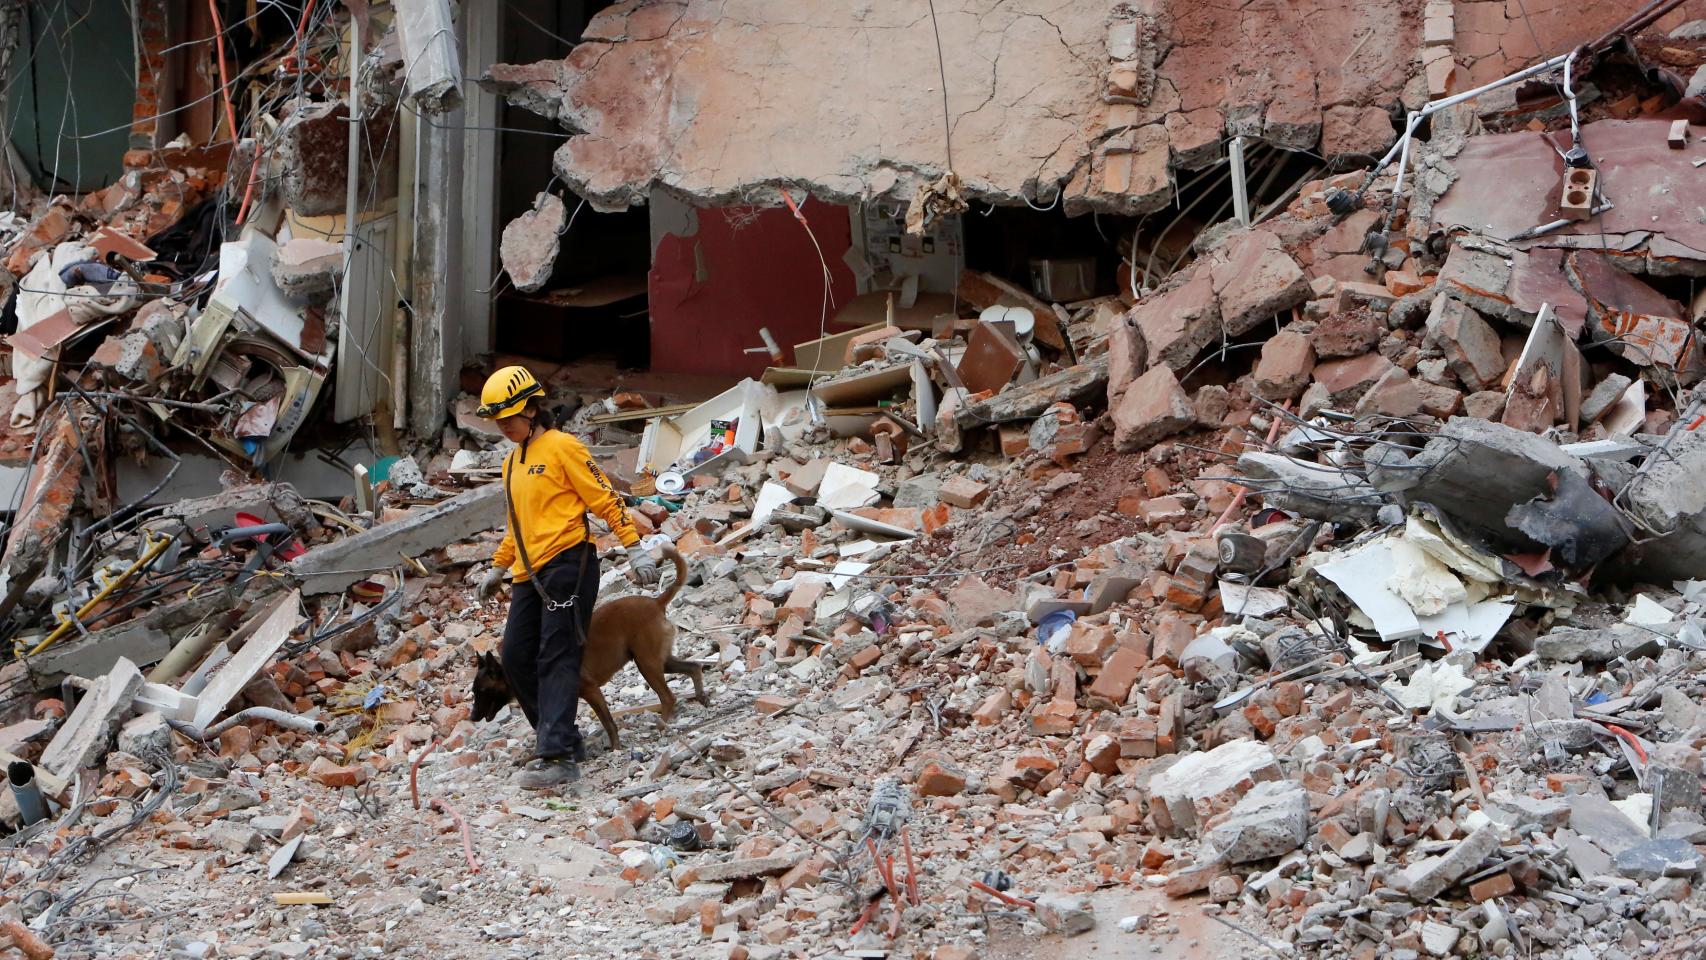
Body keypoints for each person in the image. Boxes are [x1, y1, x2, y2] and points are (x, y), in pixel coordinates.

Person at [472, 365, 660, 789]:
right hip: (526, 573)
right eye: (497, 421)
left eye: (508, 419)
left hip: (567, 566)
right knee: (517, 657)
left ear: (531, 410)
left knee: (556, 656)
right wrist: (498, 567)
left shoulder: (564, 448)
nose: (503, 428)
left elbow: (605, 500)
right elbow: (515, 525)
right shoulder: (511, 463)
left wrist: (634, 548)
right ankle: (562, 736)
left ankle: (556, 754)